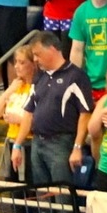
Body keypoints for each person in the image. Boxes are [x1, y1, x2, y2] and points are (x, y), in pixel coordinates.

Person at [16, 30, 92, 188]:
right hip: (37, 142)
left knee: (62, 197)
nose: (35, 60)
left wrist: (77, 147)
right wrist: (17, 145)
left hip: (61, 143)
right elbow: (29, 112)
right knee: (42, 196)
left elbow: (85, 114)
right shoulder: (40, 77)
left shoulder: (75, 76)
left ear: (51, 49)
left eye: (37, 54)